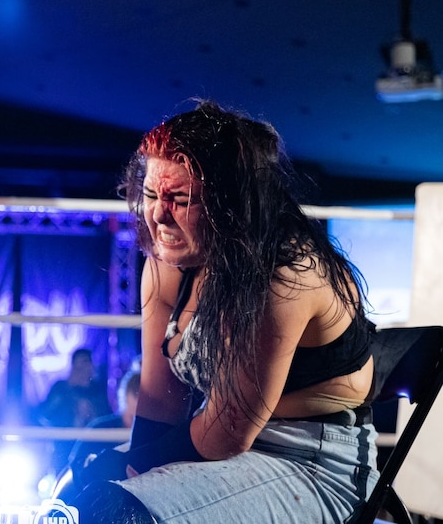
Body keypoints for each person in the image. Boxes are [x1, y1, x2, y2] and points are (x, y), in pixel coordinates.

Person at [69, 100, 379, 523]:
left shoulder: (286, 273)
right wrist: (123, 469)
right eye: (149, 195)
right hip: (226, 446)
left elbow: (227, 431)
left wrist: (126, 482)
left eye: (180, 199)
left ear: (232, 203)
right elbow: (161, 399)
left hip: (311, 465)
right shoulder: (167, 265)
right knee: (78, 485)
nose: (159, 215)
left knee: (114, 510)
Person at [37, 347, 112, 473]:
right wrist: (69, 391)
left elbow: (108, 418)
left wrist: (92, 413)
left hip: (92, 446)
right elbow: (45, 414)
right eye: (80, 366)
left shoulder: (97, 391)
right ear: (73, 367)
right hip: (64, 446)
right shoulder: (61, 388)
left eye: (88, 363)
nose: (84, 370)